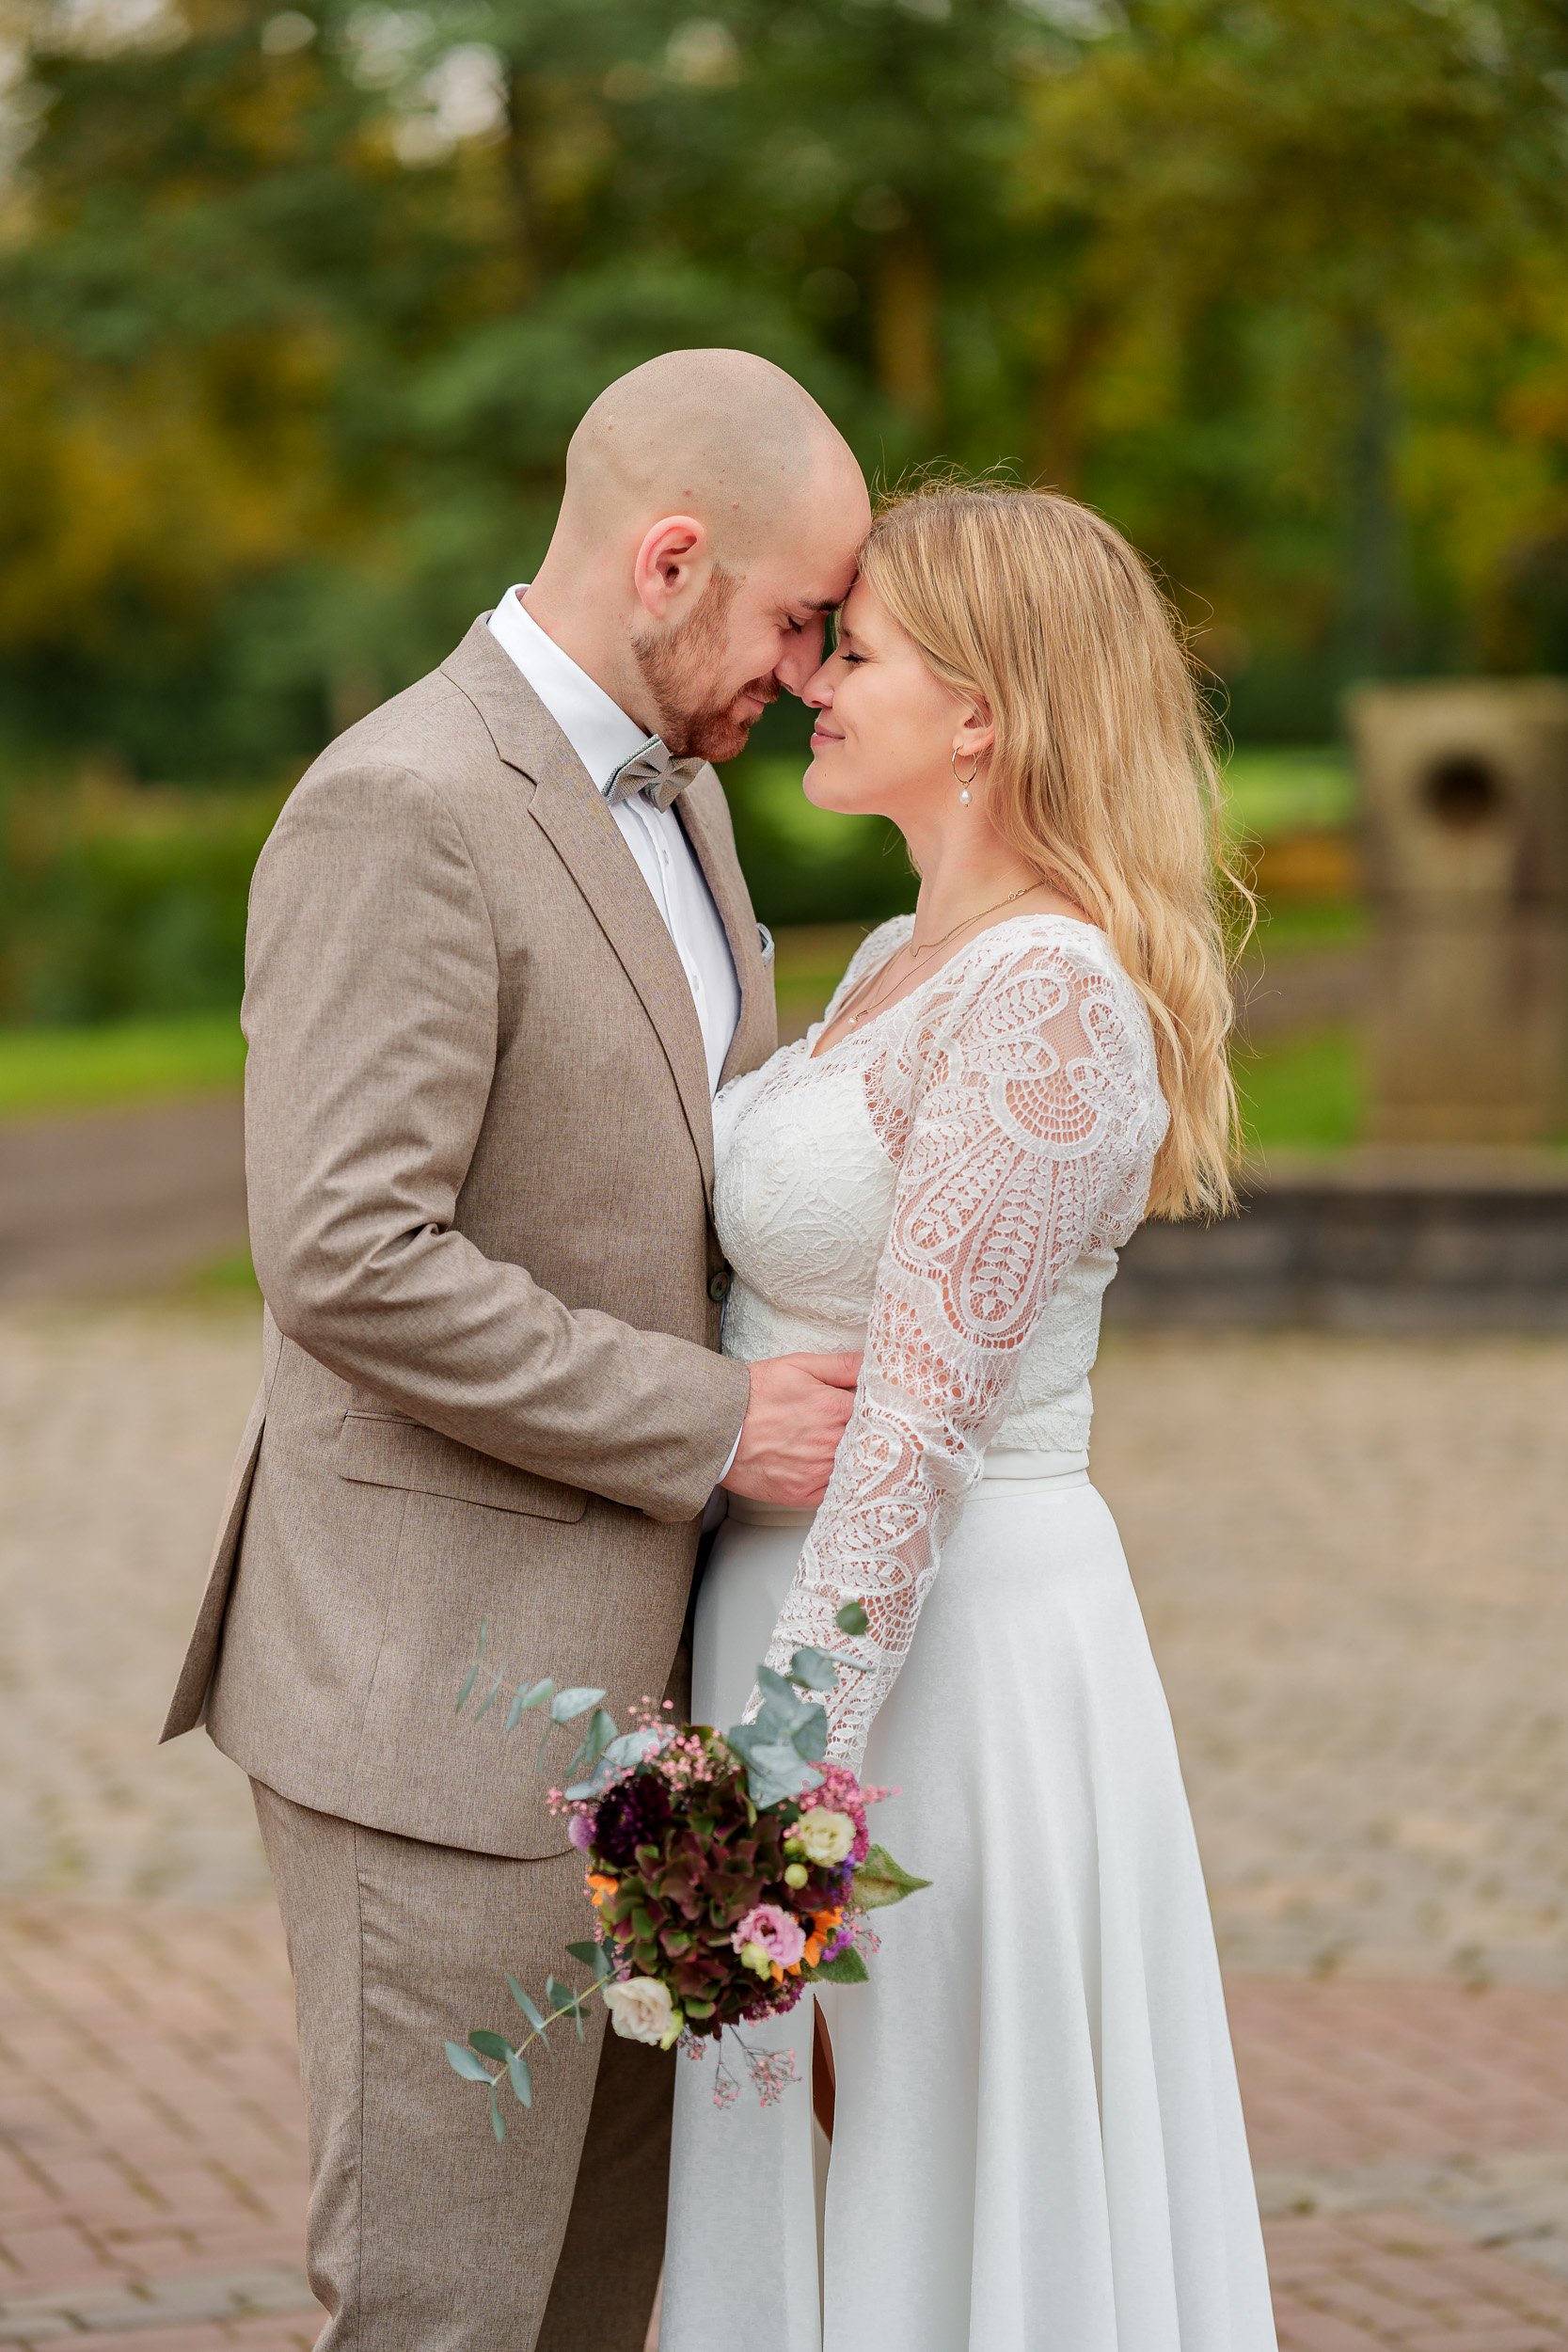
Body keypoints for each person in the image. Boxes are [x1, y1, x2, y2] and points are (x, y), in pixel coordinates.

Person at [160, 348, 872, 2352]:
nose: (814, 670)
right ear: (668, 558)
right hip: (432, 1704)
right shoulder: (398, 802)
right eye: (799, 615)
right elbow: (351, 1256)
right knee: (442, 2308)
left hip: (661, 1723)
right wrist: (718, 1419)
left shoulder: (692, 796)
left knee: (594, 2304)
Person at [662, 480, 1278, 2349]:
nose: (816, 678)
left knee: (931, 2140)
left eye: (856, 649)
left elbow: (920, 1427)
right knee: (808, 2161)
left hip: (948, 1656)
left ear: (987, 707)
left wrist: (782, 1789)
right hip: (784, 1614)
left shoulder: (1047, 999)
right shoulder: (880, 966)